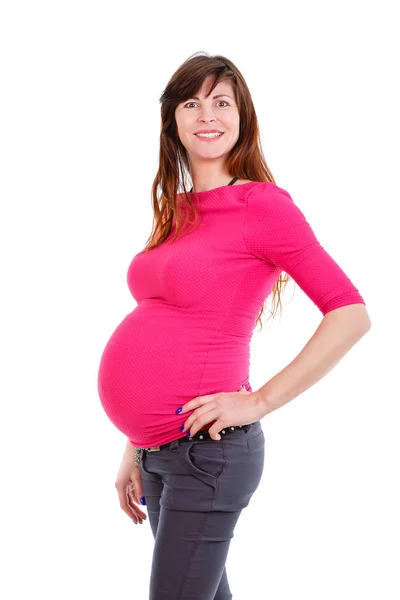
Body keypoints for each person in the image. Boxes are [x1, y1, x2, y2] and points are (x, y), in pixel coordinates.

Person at [97, 52, 371, 600]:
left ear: (241, 115)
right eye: (192, 102)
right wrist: (136, 443)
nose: (207, 115)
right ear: (172, 120)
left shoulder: (262, 206)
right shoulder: (176, 211)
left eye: (221, 101)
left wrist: (260, 400)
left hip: (208, 453)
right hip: (159, 454)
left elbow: (350, 312)